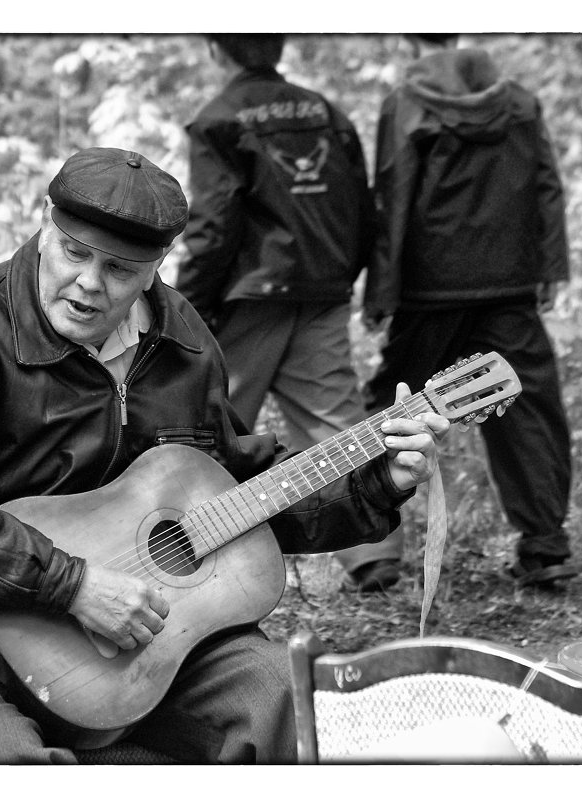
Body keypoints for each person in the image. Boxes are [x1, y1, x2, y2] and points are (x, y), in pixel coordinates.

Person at [0, 146, 448, 763]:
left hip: (158, 639)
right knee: (6, 763)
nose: (90, 284)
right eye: (75, 253)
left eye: (121, 269)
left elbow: (240, 490)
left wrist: (374, 484)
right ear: (44, 226)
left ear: (156, 267)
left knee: (279, 691)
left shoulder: (183, 342)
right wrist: (72, 587)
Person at [175, 33, 401, 593]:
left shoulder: (218, 119)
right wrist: (357, 276)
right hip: (323, 286)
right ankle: (375, 554)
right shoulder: (327, 111)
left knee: (212, 425)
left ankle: (189, 550)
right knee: (334, 417)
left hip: (247, 296)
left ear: (214, 49)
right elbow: (361, 203)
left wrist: (189, 304)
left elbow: (215, 221)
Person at [362, 34, 576, 588]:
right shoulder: (520, 101)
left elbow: (393, 194)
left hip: (431, 286)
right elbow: (546, 184)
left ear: (410, 36)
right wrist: (549, 266)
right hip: (509, 280)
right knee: (528, 409)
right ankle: (545, 545)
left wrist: (381, 293)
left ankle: (372, 551)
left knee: (391, 410)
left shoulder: (405, 102)